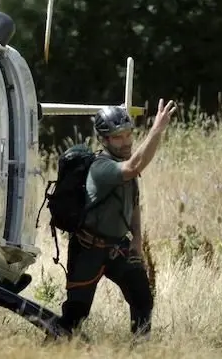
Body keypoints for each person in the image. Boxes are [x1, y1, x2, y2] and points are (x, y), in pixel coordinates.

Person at [55, 98, 177, 343]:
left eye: (129, 134)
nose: (127, 141)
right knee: (75, 316)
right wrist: (156, 130)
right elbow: (133, 167)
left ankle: (140, 351)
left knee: (143, 300)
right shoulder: (102, 167)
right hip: (88, 250)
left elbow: (133, 203)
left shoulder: (122, 165)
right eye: (118, 137)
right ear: (105, 140)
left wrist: (137, 240)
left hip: (118, 248)